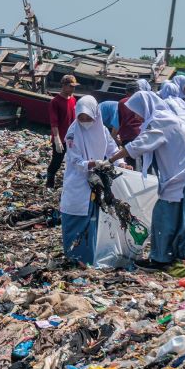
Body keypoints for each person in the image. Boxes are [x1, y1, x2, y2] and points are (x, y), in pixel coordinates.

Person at [109, 91, 185, 268]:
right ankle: (173, 256)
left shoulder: (161, 121)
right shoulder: (159, 119)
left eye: (136, 111)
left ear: (145, 107)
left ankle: (163, 258)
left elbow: (138, 145)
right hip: (183, 173)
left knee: (165, 215)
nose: (135, 116)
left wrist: (110, 160)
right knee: (177, 216)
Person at [60, 95, 125, 265]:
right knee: (76, 220)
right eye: (81, 118)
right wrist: (92, 163)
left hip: (97, 182)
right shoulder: (73, 133)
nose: (85, 121)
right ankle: (74, 258)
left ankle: (89, 258)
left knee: (94, 220)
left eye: (88, 117)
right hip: (78, 182)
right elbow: (75, 161)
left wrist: (121, 162)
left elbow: (112, 149)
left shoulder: (101, 130)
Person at [46, 74, 78, 190]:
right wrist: (57, 139)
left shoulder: (73, 99)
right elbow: (54, 122)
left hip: (72, 138)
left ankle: (70, 183)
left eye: (74, 86)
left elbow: (75, 119)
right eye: (71, 86)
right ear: (64, 86)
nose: (73, 89)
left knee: (74, 161)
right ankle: (49, 182)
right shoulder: (55, 102)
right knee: (57, 161)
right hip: (60, 137)